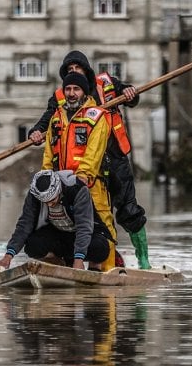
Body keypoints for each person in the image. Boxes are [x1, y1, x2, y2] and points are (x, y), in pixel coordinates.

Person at [29, 51, 151, 269]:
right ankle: (87, 260)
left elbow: (131, 97)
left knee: (128, 210)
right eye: (69, 71)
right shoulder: (61, 98)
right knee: (84, 215)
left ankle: (143, 259)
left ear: (87, 70)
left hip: (113, 159)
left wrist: (131, 92)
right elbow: (47, 121)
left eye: (78, 69)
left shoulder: (106, 84)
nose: (74, 74)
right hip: (84, 167)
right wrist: (36, 132)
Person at [40, 71, 118, 270]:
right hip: (61, 188)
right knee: (62, 227)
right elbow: (49, 153)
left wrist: (82, 177)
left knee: (103, 228)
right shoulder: (56, 118)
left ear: (84, 92)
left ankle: (105, 270)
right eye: (68, 89)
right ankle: (66, 268)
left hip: (90, 184)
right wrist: (45, 179)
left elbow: (94, 152)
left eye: (76, 89)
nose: (72, 93)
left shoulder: (97, 117)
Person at [0, 169, 111, 271]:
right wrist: (8, 256)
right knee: (33, 245)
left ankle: (94, 268)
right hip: (58, 233)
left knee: (100, 248)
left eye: (52, 200)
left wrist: (78, 260)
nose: (49, 205)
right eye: (46, 202)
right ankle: (58, 263)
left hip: (86, 235)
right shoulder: (34, 194)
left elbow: (84, 227)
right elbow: (24, 224)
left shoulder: (77, 189)